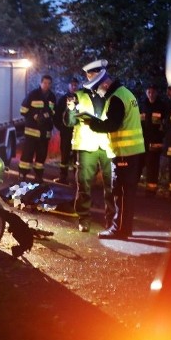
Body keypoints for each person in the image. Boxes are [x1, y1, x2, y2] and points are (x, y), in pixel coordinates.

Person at [85, 59, 145, 239]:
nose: (97, 92)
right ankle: (125, 228)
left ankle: (119, 229)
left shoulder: (116, 98)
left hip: (124, 154)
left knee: (121, 194)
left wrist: (92, 123)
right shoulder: (124, 93)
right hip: (131, 152)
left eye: (96, 87)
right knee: (127, 194)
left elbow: (112, 124)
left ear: (104, 83)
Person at [64, 79, 115, 233]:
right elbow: (69, 122)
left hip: (107, 145)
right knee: (84, 184)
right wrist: (71, 108)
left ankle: (112, 220)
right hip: (86, 145)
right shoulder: (78, 96)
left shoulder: (111, 96)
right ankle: (84, 218)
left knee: (111, 184)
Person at [19, 75, 56, 182]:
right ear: (40, 83)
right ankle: (23, 175)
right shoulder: (33, 94)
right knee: (27, 155)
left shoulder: (52, 96)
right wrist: (34, 115)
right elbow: (23, 110)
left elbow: (53, 111)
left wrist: (46, 115)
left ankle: (38, 176)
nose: (46, 85)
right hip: (31, 132)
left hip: (45, 133)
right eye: (45, 83)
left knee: (41, 157)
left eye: (49, 83)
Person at [139, 83, 167, 196]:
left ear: (156, 93)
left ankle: (151, 191)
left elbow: (165, 125)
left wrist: (161, 138)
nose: (151, 94)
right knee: (139, 164)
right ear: (146, 92)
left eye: (153, 92)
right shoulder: (142, 105)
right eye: (149, 92)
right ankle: (132, 187)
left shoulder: (162, 107)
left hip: (155, 142)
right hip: (142, 141)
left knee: (153, 167)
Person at [53, 77, 79, 184]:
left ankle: (77, 179)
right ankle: (63, 177)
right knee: (65, 154)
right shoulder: (63, 99)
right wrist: (61, 128)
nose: (74, 87)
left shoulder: (81, 99)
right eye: (72, 85)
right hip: (66, 132)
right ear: (69, 86)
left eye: (75, 85)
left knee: (77, 156)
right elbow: (57, 115)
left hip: (78, 133)